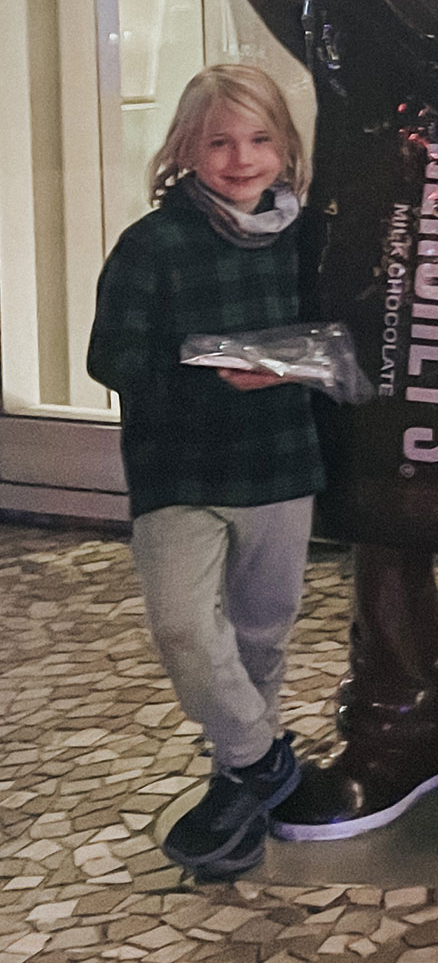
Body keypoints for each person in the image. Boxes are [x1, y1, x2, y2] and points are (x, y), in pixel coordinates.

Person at [88, 65, 324, 879]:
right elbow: (111, 356)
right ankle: (264, 761)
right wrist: (205, 374)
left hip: (281, 464)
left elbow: (347, 347)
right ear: (185, 148)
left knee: (261, 636)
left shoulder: (309, 239)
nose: (240, 157)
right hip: (177, 470)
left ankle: (238, 798)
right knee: (186, 627)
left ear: (285, 149)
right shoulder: (153, 244)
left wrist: (300, 367)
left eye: (260, 139)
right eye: (219, 140)